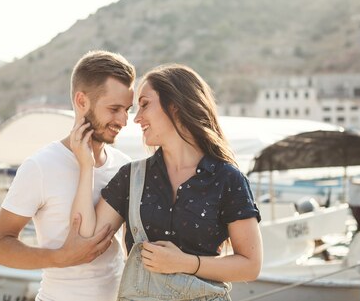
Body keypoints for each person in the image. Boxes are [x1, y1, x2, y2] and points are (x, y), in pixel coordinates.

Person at [71, 63, 262, 300]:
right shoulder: (131, 177)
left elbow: (250, 265)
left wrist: (184, 263)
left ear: (175, 106)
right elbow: (87, 236)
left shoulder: (227, 179)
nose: (136, 118)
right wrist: (86, 166)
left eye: (144, 105)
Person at [0, 50, 136, 301]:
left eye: (127, 109)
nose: (123, 120)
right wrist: (61, 257)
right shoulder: (41, 166)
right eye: (114, 109)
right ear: (82, 101)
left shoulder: (124, 166)